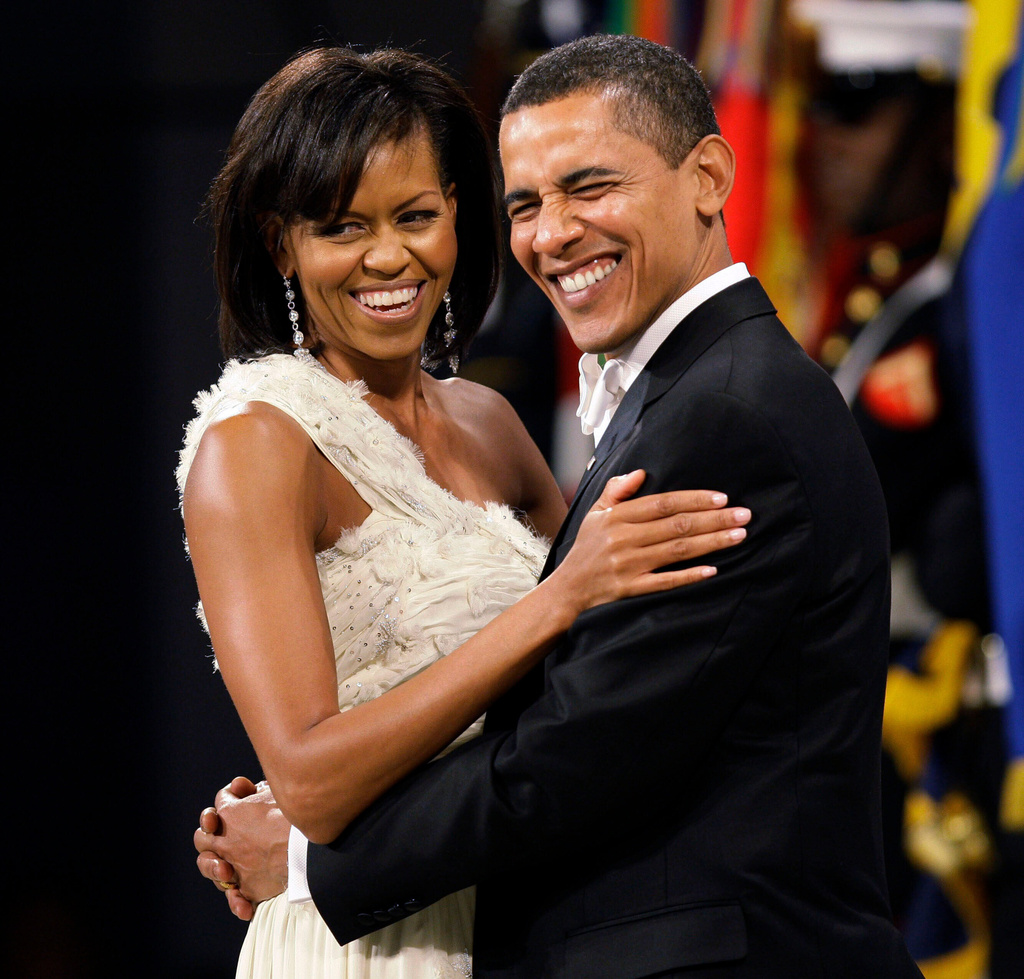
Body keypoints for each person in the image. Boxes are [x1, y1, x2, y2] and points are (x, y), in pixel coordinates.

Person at [197, 34, 924, 977]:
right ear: (279, 241)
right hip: (379, 939)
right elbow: (330, 767)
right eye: (530, 204)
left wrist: (298, 860)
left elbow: (580, 728)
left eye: (416, 213)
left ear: (708, 176)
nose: (387, 255)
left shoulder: (635, 416)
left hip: (481, 898)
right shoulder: (257, 439)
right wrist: (557, 597)